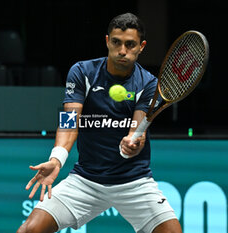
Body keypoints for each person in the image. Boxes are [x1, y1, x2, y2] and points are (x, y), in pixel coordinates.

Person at [17, 13, 182, 233]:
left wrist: (132, 143)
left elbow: (138, 130)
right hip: (86, 180)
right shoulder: (82, 72)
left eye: (130, 44)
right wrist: (56, 160)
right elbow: (69, 121)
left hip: (133, 181)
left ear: (141, 47)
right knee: (30, 230)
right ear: (107, 41)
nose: (122, 50)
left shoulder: (149, 84)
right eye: (116, 42)